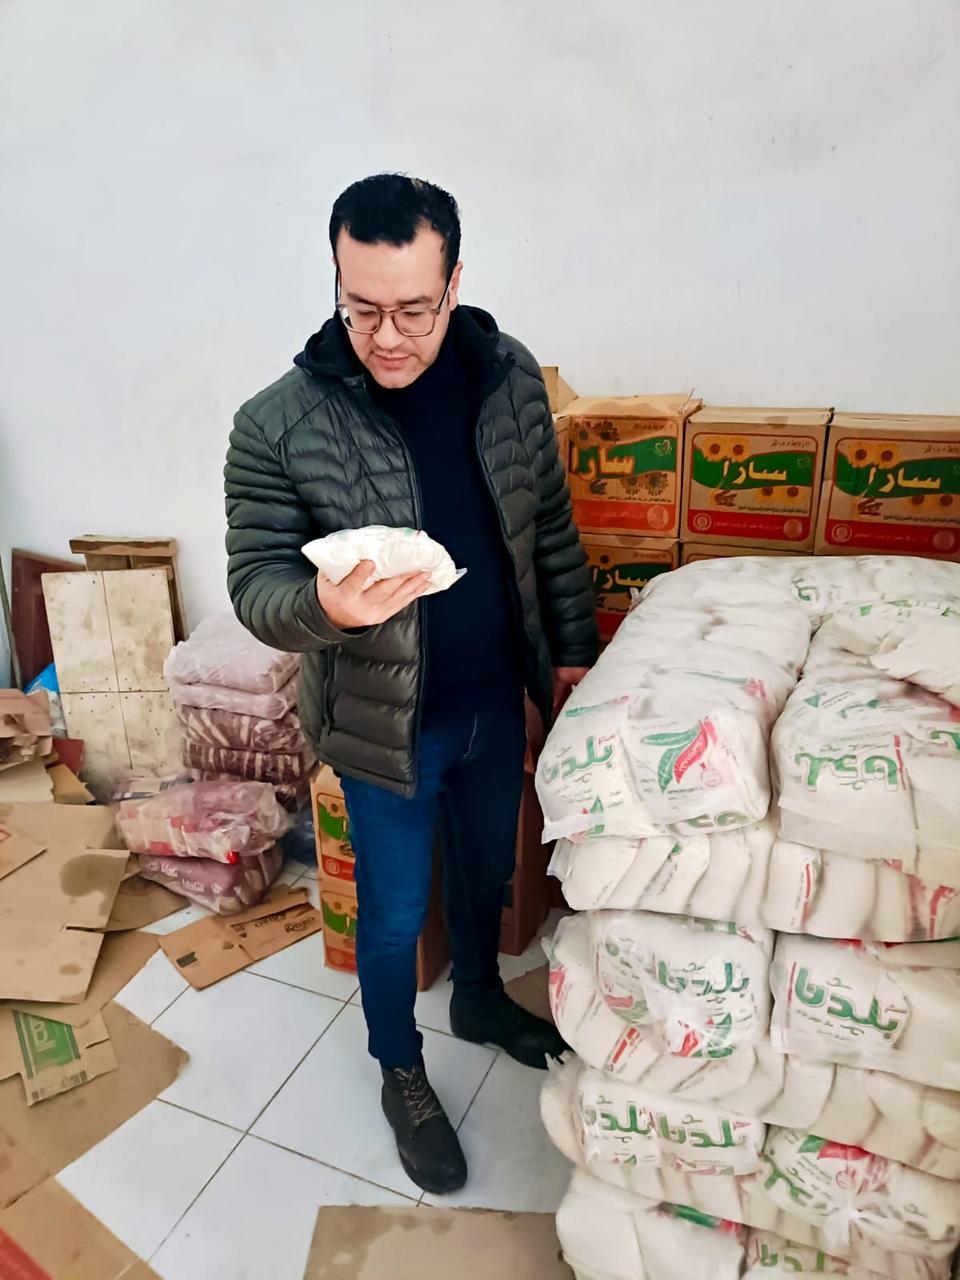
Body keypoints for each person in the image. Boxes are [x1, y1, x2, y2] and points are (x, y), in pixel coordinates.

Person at [224, 173, 597, 1193]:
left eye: (413, 310)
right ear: (336, 281)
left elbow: (550, 532)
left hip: (491, 701)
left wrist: (569, 655)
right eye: (362, 309)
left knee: (484, 873)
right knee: (390, 917)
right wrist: (326, 607)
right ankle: (401, 1069)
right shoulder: (279, 423)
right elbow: (257, 583)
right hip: (381, 724)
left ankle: (478, 994)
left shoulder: (507, 379)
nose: (387, 337)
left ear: (454, 282)